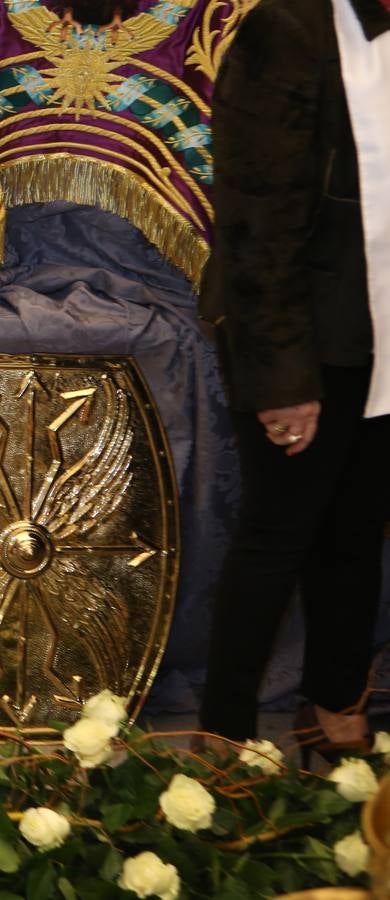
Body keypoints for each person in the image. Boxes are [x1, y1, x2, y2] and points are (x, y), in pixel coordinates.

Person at [197, 0, 390, 757]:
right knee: (278, 534)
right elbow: (254, 220)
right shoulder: (286, 25)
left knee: (356, 530)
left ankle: (336, 702)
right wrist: (282, 376)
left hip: (387, 333)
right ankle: (223, 731)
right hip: (304, 332)